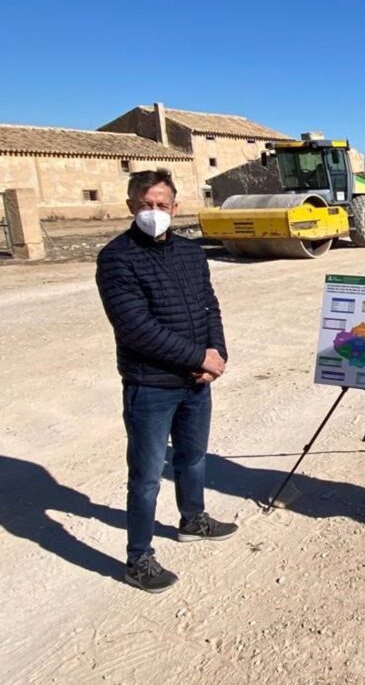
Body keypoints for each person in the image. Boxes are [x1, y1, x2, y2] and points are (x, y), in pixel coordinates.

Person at [96, 169, 237, 593]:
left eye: (161, 205)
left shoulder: (191, 253)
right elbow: (135, 328)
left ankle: (193, 520)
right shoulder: (117, 258)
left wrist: (217, 355)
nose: (153, 212)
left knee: (192, 459)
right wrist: (198, 357)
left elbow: (210, 307)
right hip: (151, 386)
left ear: (175, 208)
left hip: (197, 381)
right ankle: (138, 558)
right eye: (145, 205)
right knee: (146, 476)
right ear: (130, 207)